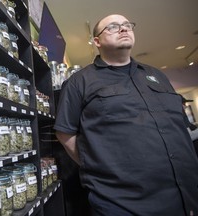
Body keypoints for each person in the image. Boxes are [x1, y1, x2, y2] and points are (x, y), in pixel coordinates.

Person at [54, 14, 198, 216]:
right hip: (123, 203)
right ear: (97, 41)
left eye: (127, 25)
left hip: (185, 197)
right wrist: (98, 167)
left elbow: (179, 127)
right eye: (113, 27)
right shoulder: (80, 82)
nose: (123, 29)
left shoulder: (157, 75)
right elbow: (65, 133)